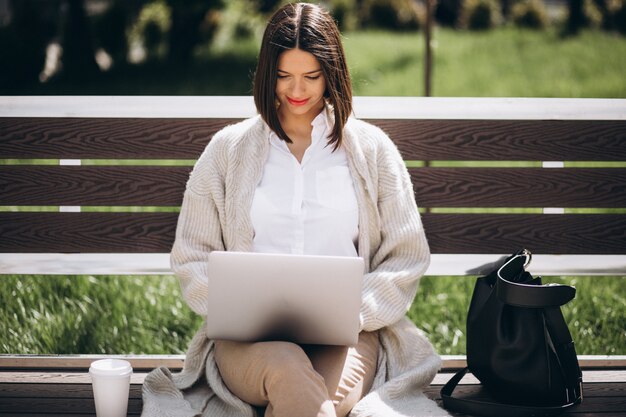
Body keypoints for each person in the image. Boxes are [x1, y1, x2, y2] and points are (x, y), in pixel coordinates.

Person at [141, 3, 449, 417]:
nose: (297, 91)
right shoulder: (227, 151)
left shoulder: (373, 152)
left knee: (312, 401)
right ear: (268, 74)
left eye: (311, 76)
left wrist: (352, 311)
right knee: (291, 378)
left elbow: (406, 256)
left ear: (333, 73)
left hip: (347, 337)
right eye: (284, 76)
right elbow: (191, 256)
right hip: (250, 345)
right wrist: (234, 309)